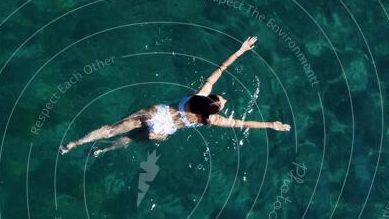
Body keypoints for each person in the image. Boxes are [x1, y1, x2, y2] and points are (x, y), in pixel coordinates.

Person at [59, 36, 290, 157]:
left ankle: (74, 144)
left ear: (210, 101)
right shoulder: (210, 120)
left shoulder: (200, 94)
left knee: (112, 128)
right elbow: (242, 123)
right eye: (222, 102)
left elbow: (221, 68)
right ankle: (105, 150)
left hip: (155, 113)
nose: (224, 100)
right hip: (160, 132)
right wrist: (271, 124)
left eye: (220, 101)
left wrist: (240, 50)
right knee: (130, 140)